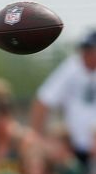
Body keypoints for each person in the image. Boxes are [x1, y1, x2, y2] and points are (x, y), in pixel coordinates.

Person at [31, 30, 96, 164]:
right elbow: (43, 100)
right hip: (75, 150)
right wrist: (38, 139)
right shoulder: (72, 68)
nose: (85, 54)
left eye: (89, 50)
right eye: (84, 50)